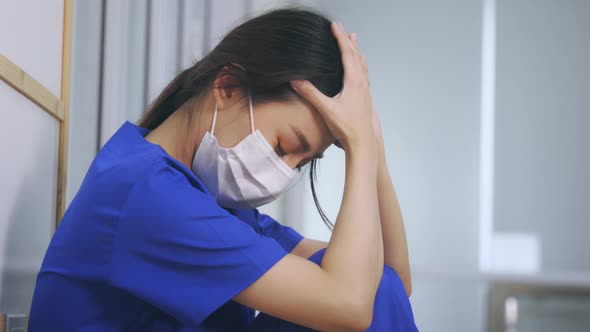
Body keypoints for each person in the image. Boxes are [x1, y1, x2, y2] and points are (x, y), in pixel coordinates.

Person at [29, 7, 418, 332]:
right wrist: (361, 148)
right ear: (229, 86)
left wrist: (371, 149)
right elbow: (348, 306)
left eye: (302, 163)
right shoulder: (149, 194)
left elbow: (387, 278)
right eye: (285, 146)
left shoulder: (213, 206)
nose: (284, 174)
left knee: (375, 287)